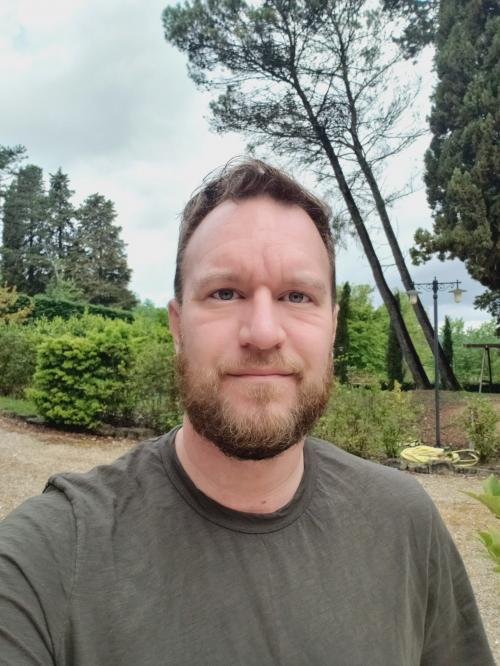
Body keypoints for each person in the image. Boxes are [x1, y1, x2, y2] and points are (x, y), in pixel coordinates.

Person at [0, 159, 494, 666]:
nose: (262, 333)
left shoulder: (404, 523)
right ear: (177, 326)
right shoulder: (49, 559)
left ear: (331, 326)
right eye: (225, 293)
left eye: (296, 296)